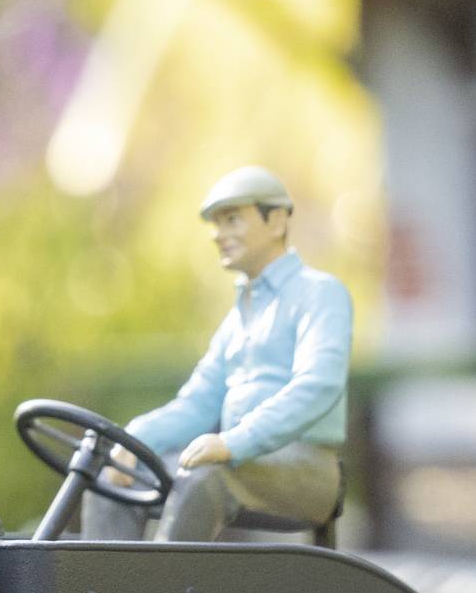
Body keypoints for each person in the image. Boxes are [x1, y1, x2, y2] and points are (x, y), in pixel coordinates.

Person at [84, 167, 350, 542]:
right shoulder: (239, 317)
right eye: (215, 224)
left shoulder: (319, 293)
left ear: (275, 220)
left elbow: (318, 385)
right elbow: (198, 404)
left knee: (203, 478)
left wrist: (234, 442)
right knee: (115, 474)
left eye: (231, 220)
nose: (218, 235)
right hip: (243, 460)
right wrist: (135, 440)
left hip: (305, 468)